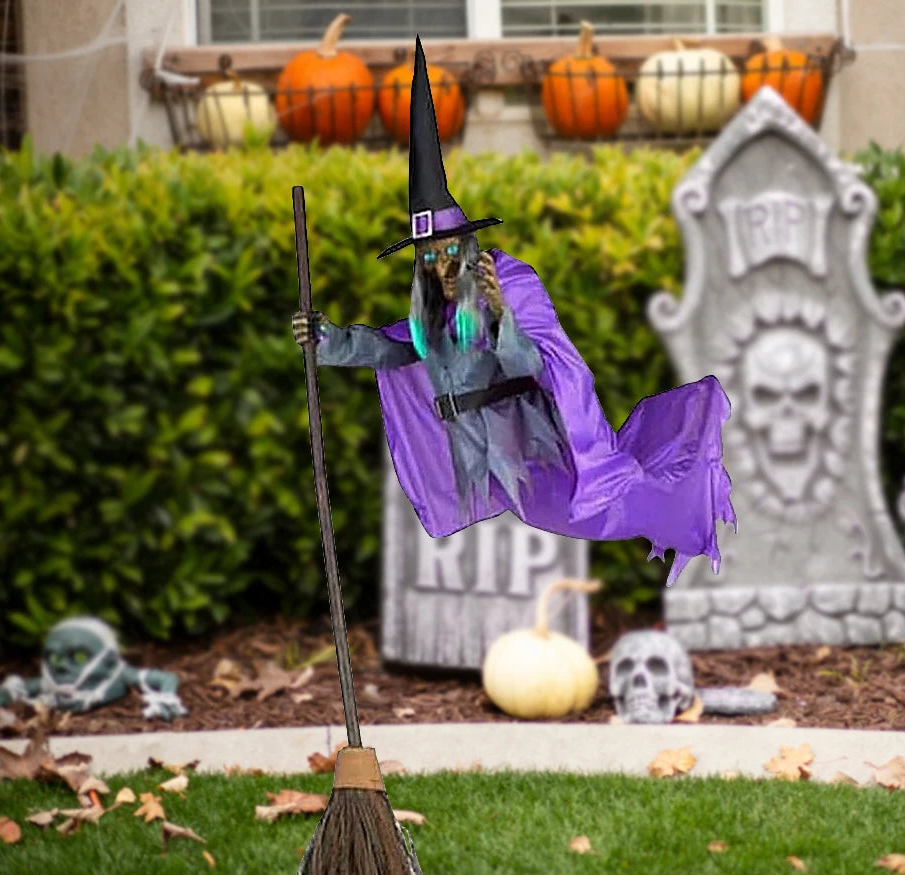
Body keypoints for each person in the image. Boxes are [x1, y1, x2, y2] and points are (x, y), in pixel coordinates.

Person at [294, 37, 735, 586]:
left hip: (532, 443)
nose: (440, 262)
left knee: (594, 511)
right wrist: (328, 339)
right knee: (557, 515)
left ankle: (680, 503)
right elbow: (392, 347)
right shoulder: (430, 312)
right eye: (428, 256)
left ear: (468, 246)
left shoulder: (509, 282)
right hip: (483, 454)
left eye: (449, 250)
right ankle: (664, 505)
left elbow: (540, 361)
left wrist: (499, 316)